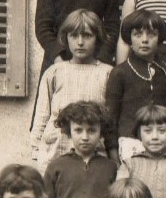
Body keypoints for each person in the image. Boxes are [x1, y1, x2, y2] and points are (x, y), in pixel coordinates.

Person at [30, 10, 113, 170]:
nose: (80, 42)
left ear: (98, 38)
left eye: (87, 35)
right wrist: (35, 147)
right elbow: (42, 113)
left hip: (93, 152)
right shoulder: (55, 71)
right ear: (65, 37)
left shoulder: (107, 73)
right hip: (56, 150)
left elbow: (110, 119)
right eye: (74, 36)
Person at [104, 10, 166, 162]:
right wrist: (114, 155)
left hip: (162, 143)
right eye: (137, 34)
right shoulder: (120, 72)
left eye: (151, 34)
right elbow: (110, 117)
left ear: (159, 38)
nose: (144, 40)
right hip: (131, 145)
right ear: (129, 38)